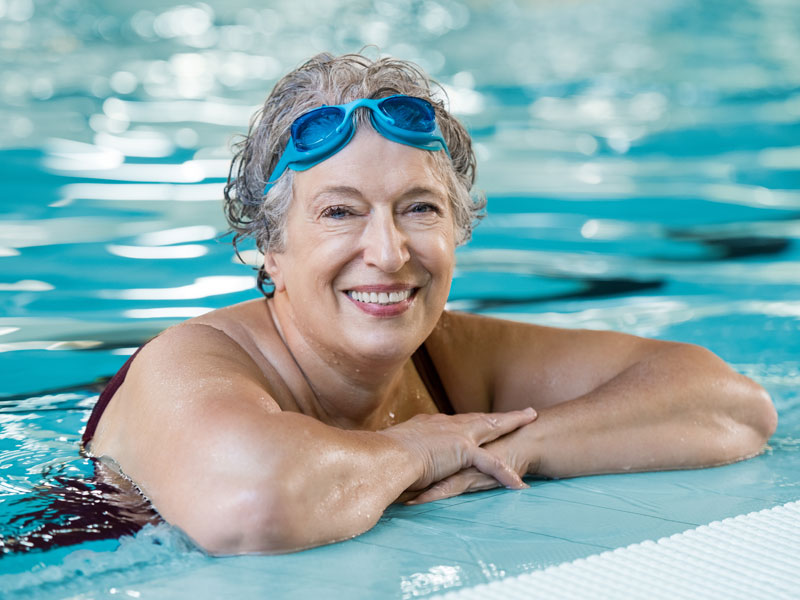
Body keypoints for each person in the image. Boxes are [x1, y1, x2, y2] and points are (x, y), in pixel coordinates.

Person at [81, 52, 777, 556]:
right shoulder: (191, 363)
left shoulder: (446, 358)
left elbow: (730, 406)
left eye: (418, 208)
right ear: (270, 247)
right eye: (339, 213)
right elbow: (256, 505)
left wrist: (518, 447)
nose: (387, 252)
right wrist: (418, 447)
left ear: (458, 229)